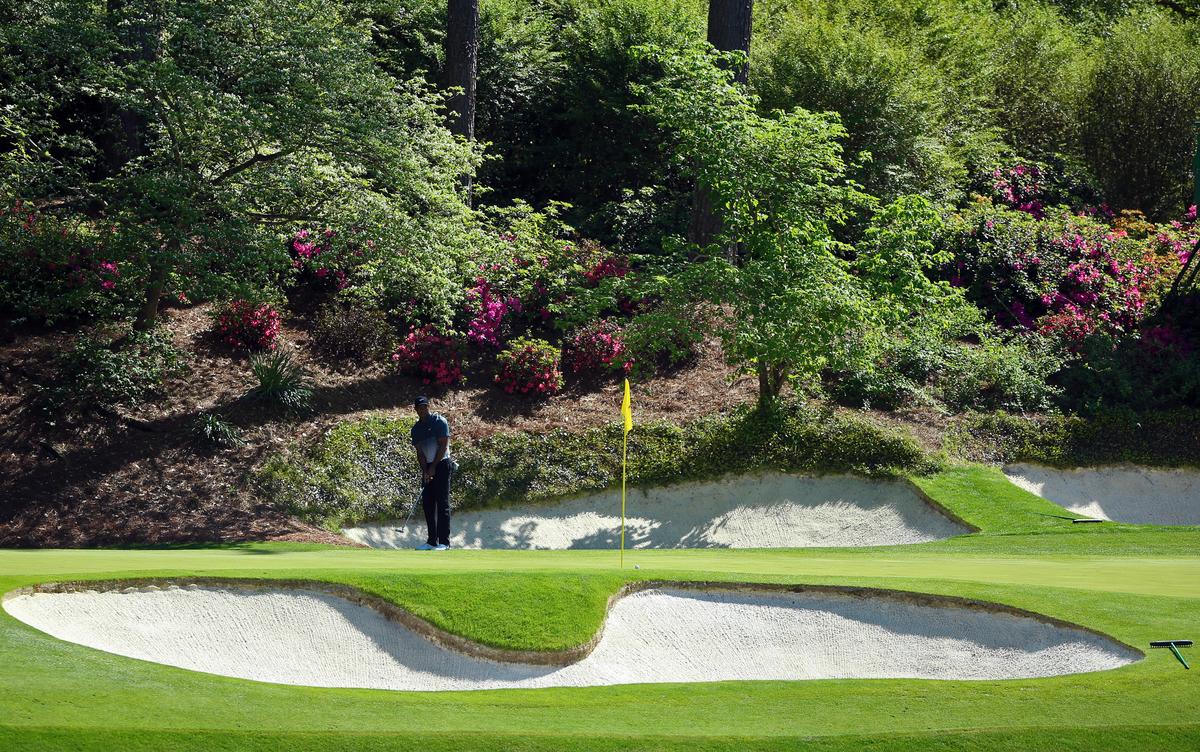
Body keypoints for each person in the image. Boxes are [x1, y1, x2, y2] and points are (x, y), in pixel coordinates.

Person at [411, 395, 453, 550]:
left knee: (442, 503)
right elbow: (420, 453)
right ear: (415, 410)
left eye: (424, 407)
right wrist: (425, 471)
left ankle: (444, 542)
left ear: (428, 407)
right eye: (419, 408)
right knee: (428, 504)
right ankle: (431, 541)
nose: (422, 410)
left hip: (442, 464)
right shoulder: (416, 429)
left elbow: (443, 446)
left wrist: (433, 466)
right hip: (427, 466)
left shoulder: (439, 422)